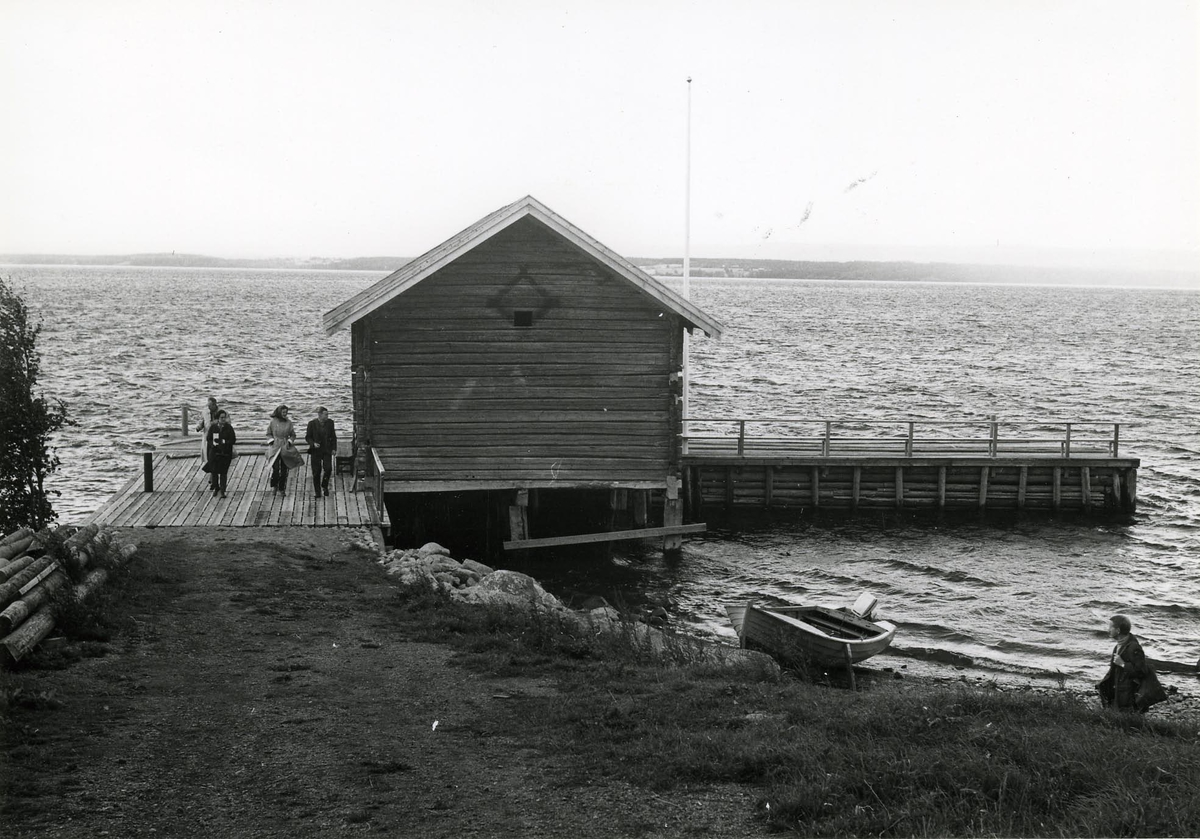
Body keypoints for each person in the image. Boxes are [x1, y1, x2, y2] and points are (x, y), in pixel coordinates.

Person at [1097, 614, 1150, 712]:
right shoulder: (1119, 646)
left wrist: (1123, 664)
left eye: (1110, 627)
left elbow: (1142, 672)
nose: (1108, 630)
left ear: (1118, 630)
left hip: (1128, 695)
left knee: (1127, 722)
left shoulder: (1134, 647)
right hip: (1119, 692)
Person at [305, 406, 337, 499]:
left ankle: (324, 485)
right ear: (319, 415)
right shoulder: (312, 424)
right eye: (325, 414)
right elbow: (308, 437)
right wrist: (313, 443)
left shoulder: (330, 423)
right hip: (316, 451)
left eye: (328, 414)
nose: (327, 416)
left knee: (328, 469)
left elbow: (334, 436)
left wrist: (334, 448)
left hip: (327, 450)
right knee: (316, 472)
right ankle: (317, 492)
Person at [265, 405, 296, 495]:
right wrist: (271, 441)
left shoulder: (289, 423)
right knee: (276, 468)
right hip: (275, 446)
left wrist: (290, 441)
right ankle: (274, 486)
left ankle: (282, 488)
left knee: (284, 469)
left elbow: (293, 435)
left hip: (285, 446)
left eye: (286, 412)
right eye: (283, 412)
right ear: (279, 412)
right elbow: (268, 433)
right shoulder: (273, 422)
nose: (285, 414)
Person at [206, 410, 236, 498]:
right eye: (221, 418)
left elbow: (233, 440)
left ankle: (223, 490)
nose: (223, 419)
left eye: (225, 417)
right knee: (214, 472)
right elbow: (209, 438)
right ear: (218, 418)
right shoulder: (213, 427)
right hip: (215, 453)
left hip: (225, 453)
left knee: (223, 472)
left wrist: (224, 441)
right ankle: (216, 488)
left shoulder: (229, 428)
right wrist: (213, 444)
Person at [197, 396, 219, 483]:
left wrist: (215, 423)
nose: (208, 407)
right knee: (209, 456)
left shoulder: (220, 412)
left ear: (214, 405)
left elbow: (225, 421)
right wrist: (199, 427)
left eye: (210, 405)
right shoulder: (206, 412)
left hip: (216, 436)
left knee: (215, 456)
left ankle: (213, 476)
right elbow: (203, 421)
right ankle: (212, 475)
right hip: (207, 437)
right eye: (208, 405)